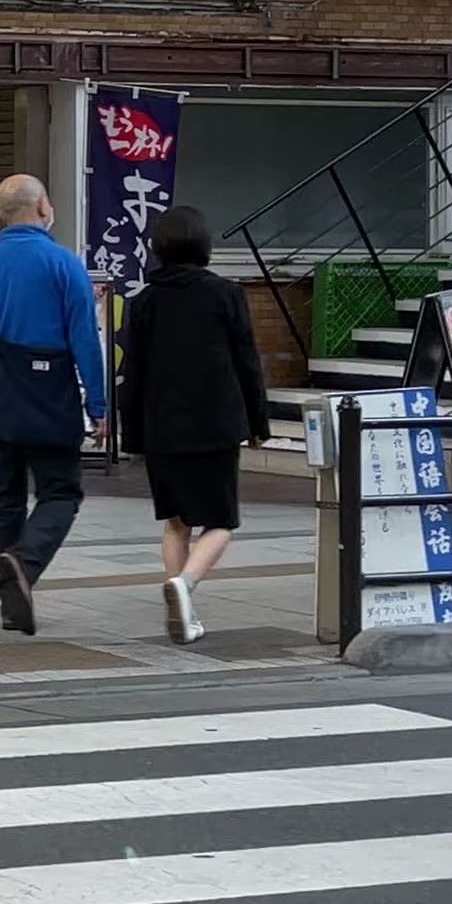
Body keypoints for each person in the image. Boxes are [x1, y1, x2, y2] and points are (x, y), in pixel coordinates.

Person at [0, 174, 108, 636]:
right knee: (61, 492)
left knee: (6, 500)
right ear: (42, 207)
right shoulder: (64, 264)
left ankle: (10, 603)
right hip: (48, 400)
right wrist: (97, 404)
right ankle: (25, 561)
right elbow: (85, 339)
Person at [113, 205, 268, 646]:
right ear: (204, 244)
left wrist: (133, 435)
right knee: (220, 522)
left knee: (176, 522)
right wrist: (258, 422)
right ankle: (185, 586)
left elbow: (133, 372)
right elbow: (247, 363)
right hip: (215, 425)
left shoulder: (143, 302)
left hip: (162, 429)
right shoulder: (226, 295)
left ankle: (180, 607)